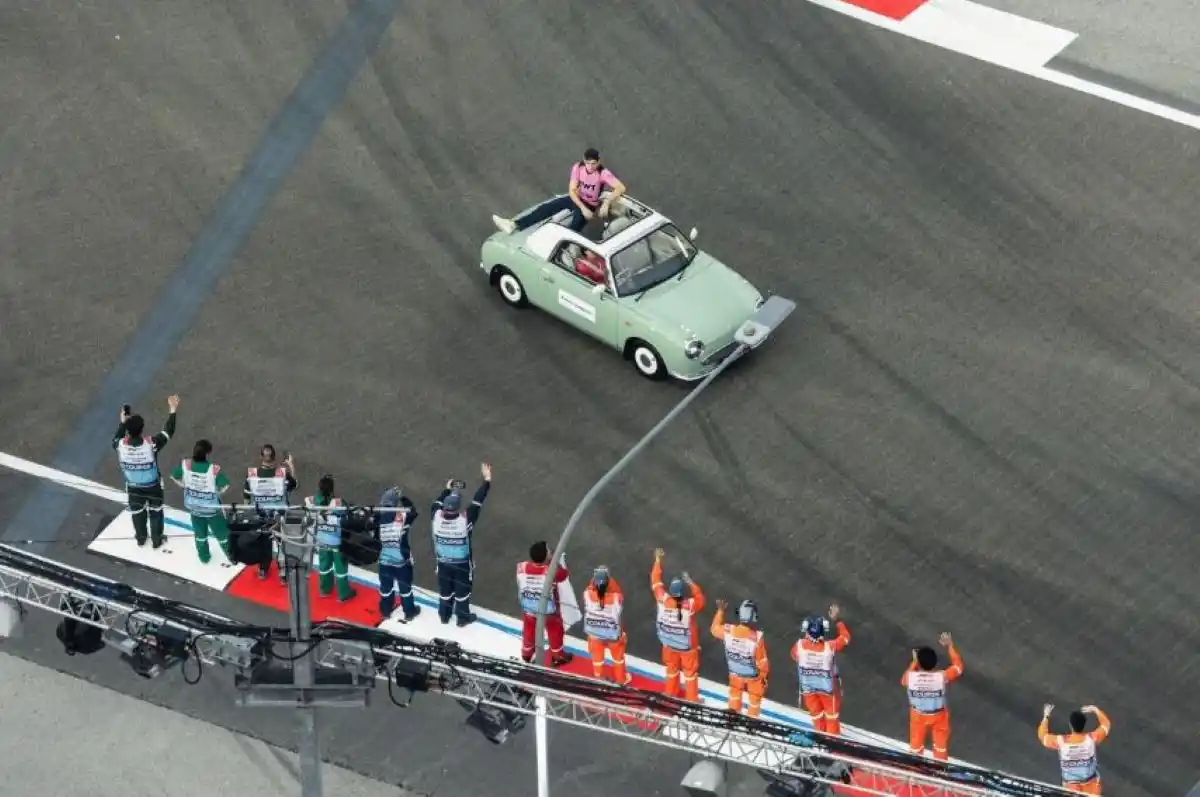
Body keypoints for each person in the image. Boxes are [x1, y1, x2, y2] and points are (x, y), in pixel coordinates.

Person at [493, 148, 627, 234]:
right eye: (588, 163)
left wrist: (606, 202)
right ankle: (514, 224)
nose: (590, 167)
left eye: (593, 163)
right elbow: (572, 191)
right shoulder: (578, 168)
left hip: (590, 204)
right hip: (577, 199)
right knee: (546, 208)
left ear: (598, 161)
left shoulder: (603, 173)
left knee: (572, 230)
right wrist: (581, 207)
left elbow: (620, 187)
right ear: (584, 161)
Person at [112, 395, 179, 548]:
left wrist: (123, 423)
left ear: (128, 431)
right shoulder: (151, 444)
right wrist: (172, 410)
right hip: (153, 485)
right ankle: (157, 539)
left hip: (133, 486)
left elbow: (117, 437)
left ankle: (141, 538)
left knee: (137, 512)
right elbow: (169, 431)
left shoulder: (119, 445)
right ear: (142, 429)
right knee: (156, 511)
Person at [431, 462, 492, 627]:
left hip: (443, 563)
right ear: (458, 507)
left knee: (445, 592)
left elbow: (436, 504)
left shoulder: (436, 517)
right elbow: (477, 501)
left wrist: (447, 489)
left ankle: (444, 616)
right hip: (462, 565)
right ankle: (462, 618)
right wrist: (487, 480)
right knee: (462, 592)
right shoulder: (465, 520)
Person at [651, 548, 705, 701]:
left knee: (671, 669)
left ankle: (670, 693)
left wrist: (657, 560)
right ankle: (692, 698)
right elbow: (700, 598)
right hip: (687, 647)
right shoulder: (690, 605)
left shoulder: (663, 600)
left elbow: (655, 581)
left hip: (668, 643)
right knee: (690, 673)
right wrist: (691, 583)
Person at [902, 632, 964, 761]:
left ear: (919, 663)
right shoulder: (941, 677)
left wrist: (914, 663)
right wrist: (950, 645)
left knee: (915, 747)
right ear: (935, 663)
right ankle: (940, 768)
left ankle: (915, 768)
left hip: (918, 716)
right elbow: (958, 667)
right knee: (940, 747)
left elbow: (904, 680)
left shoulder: (909, 677)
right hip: (939, 716)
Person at [791, 604, 851, 735]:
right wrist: (838, 620)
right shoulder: (830, 647)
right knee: (831, 718)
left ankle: (820, 739)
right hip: (827, 691)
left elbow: (794, 656)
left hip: (808, 690)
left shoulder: (799, 646)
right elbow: (846, 638)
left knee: (817, 717)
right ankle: (833, 744)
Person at [169, 440, 231, 564]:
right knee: (223, 535)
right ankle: (231, 555)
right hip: (212, 510)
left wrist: (183, 485)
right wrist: (217, 492)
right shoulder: (213, 470)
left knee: (200, 535)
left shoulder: (185, 465)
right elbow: (225, 485)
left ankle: (204, 557)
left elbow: (173, 476)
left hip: (194, 508)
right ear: (207, 454)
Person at [243, 444, 297, 580]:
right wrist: (291, 466)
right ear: (274, 457)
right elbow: (294, 485)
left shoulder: (252, 475)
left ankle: (263, 570)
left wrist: (248, 515)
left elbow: (246, 498)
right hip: (279, 515)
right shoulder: (282, 474)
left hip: (261, 515)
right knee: (281, 542)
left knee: (263, 542)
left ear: (261, 456)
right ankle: (283, 573)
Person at [517, 541, 574, 666]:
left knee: (529, 630)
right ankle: (558, 656)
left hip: (529, 608)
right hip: (548, 611)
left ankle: (527, 653)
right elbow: (564, 574)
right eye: (548, 550)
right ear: (545, 556)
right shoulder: (551, 571)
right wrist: (554, 559)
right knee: (555, 630)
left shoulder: (522, 567)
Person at [711, 599, 770, 718]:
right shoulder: (757, 638)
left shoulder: (728, 630)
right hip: (752, 676)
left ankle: (732, 714)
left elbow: (714, 629)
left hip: (735, 672)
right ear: (753, 617)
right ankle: (752, 720)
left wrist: (720, 611)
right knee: (755, 698)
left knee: (735, 694)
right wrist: (763, 678)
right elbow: (762, 663)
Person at [1038, 704, 1112, 794]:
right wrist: (1095, 710)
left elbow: (1043, 737)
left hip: (1070, 788)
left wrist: (1046, 716)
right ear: (1084, 725)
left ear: (1070, 725)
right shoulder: (1091, 739)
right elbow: (1106, 725)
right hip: (1092, 787)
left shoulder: (1061, 741)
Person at [305, 475, 355, 602]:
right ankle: (343, 593)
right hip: (336, 541)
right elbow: (347, 515)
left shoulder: (311, 501)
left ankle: (325, 590)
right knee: (340, 568)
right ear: (332, 489)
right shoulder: (338, 503)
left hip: (321, 539)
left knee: (324, 565)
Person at [375, 486, 419, 621]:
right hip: (402, 562)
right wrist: (402, 498)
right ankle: (409, 612)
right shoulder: (403, 516)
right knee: (405, 588)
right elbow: (413, 511)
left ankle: (385, 610)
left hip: (384, 561)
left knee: (386, 588)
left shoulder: (376, 517)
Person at [583, 565, 628, 684]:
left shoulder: (587, 594)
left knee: (597, 659)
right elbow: (619, 607)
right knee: (618, 658)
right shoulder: (616, 598)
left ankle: (598, 677)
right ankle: (621, 679)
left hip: (594, 634)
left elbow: (590, 588)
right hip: (612, 634)